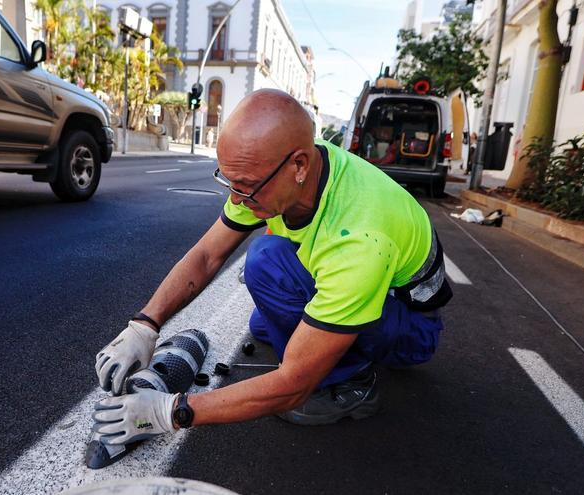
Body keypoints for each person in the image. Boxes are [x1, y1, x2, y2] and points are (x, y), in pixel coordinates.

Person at [92, 89, 452, 445]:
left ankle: (351, 383)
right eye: (230, 182)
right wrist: (145, 324)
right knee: (263, 318)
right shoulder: (273, 173)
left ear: (299, 165)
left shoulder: (358, 236)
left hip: (410, 328)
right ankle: (327, 340)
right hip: (366, 290)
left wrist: (173, 412)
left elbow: (293, 385)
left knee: (265, 262)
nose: (236, 199)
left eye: (246, 187)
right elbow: (206, 255)